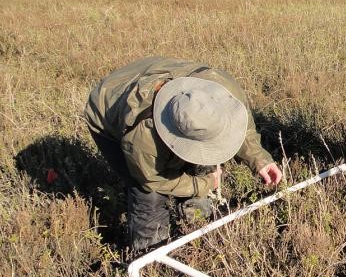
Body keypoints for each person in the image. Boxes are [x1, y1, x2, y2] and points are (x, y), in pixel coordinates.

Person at [84, 56, 283, 252]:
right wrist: (205, 183)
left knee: (202, 163)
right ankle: (152, 254)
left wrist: (260, 160)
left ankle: (196, 226)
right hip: (107, 107)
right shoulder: (143, 136)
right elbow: (153, 180)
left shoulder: (224, 88)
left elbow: (241, 126)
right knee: (149, 196)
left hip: (156, 71)